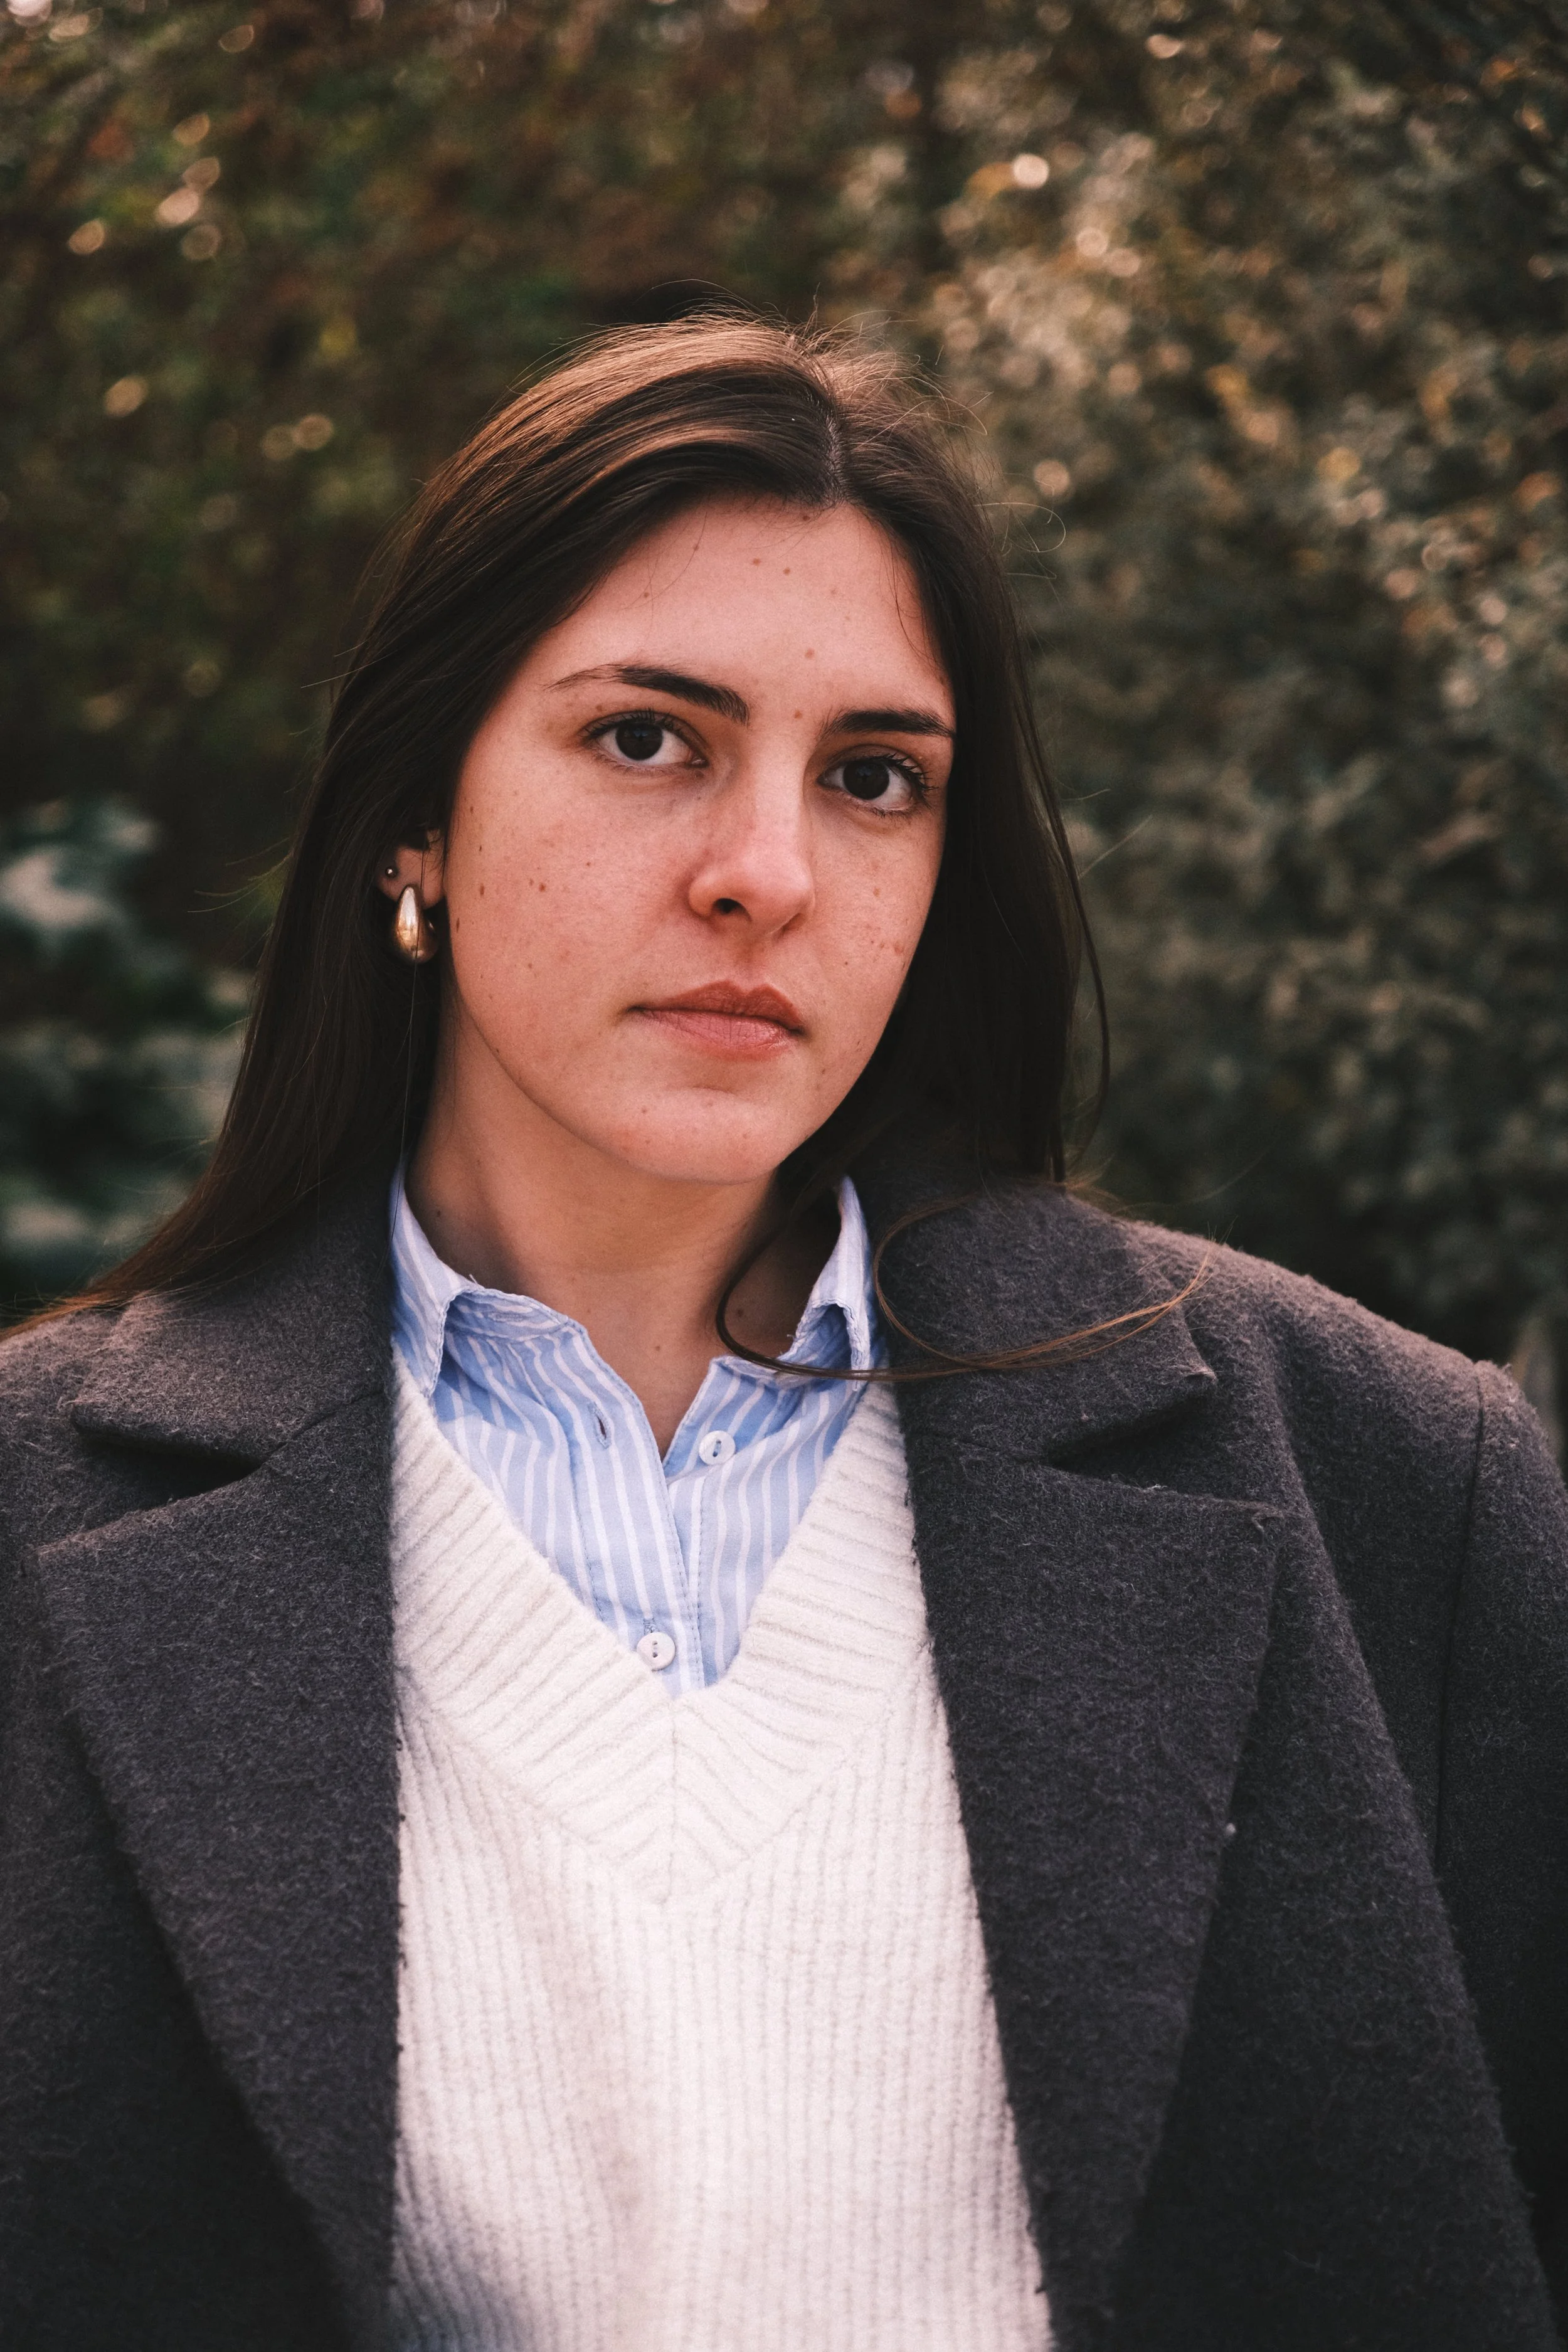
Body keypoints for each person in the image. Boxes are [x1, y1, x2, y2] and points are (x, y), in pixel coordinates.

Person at [1, 315, 1565, 2352]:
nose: (770, 873)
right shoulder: (39, 1516)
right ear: (415, 819)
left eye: (873, 777)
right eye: (647, 736)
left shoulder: (1397, 1484)